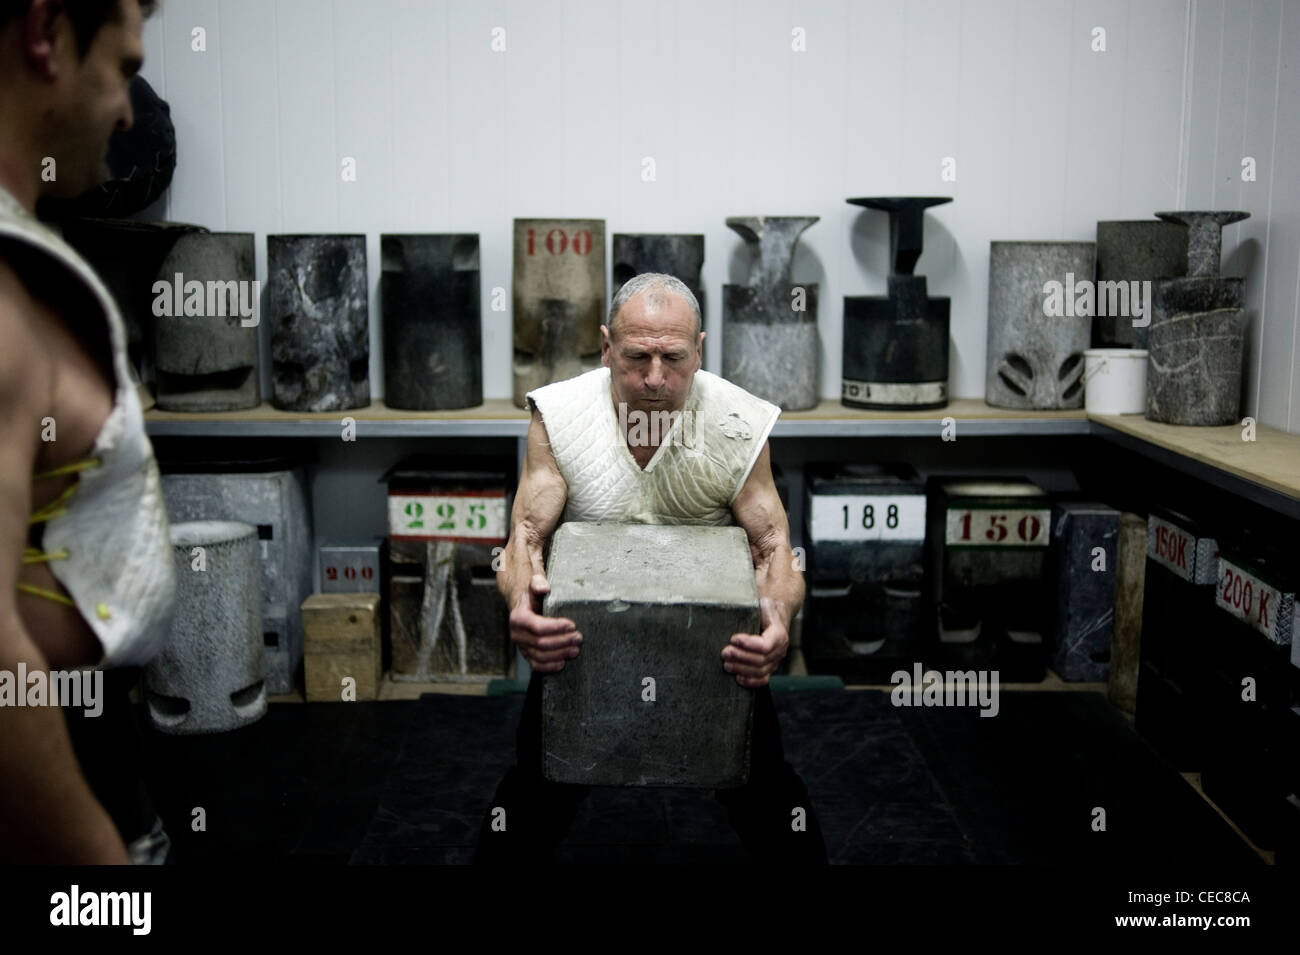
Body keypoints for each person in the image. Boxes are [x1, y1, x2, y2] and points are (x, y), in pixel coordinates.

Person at [478, 272, 827, 862]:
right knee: (530, 800)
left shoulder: (737, 422)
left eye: (675, 358)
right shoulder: (560, 416)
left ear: (701, 349)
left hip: (715, 644)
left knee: (769, 797)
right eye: (637, 357)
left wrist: (778, 620)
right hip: (582, 641)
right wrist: (519, 605)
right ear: (607, 346)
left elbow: (774, 548)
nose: (656, 379)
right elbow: (525, 538)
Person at [0, 0, 173, 863]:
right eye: (128, 69)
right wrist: (93, 857)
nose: (128, 112)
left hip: (96, 740)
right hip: (47, 797)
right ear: (46, 34)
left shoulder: (26, 256)